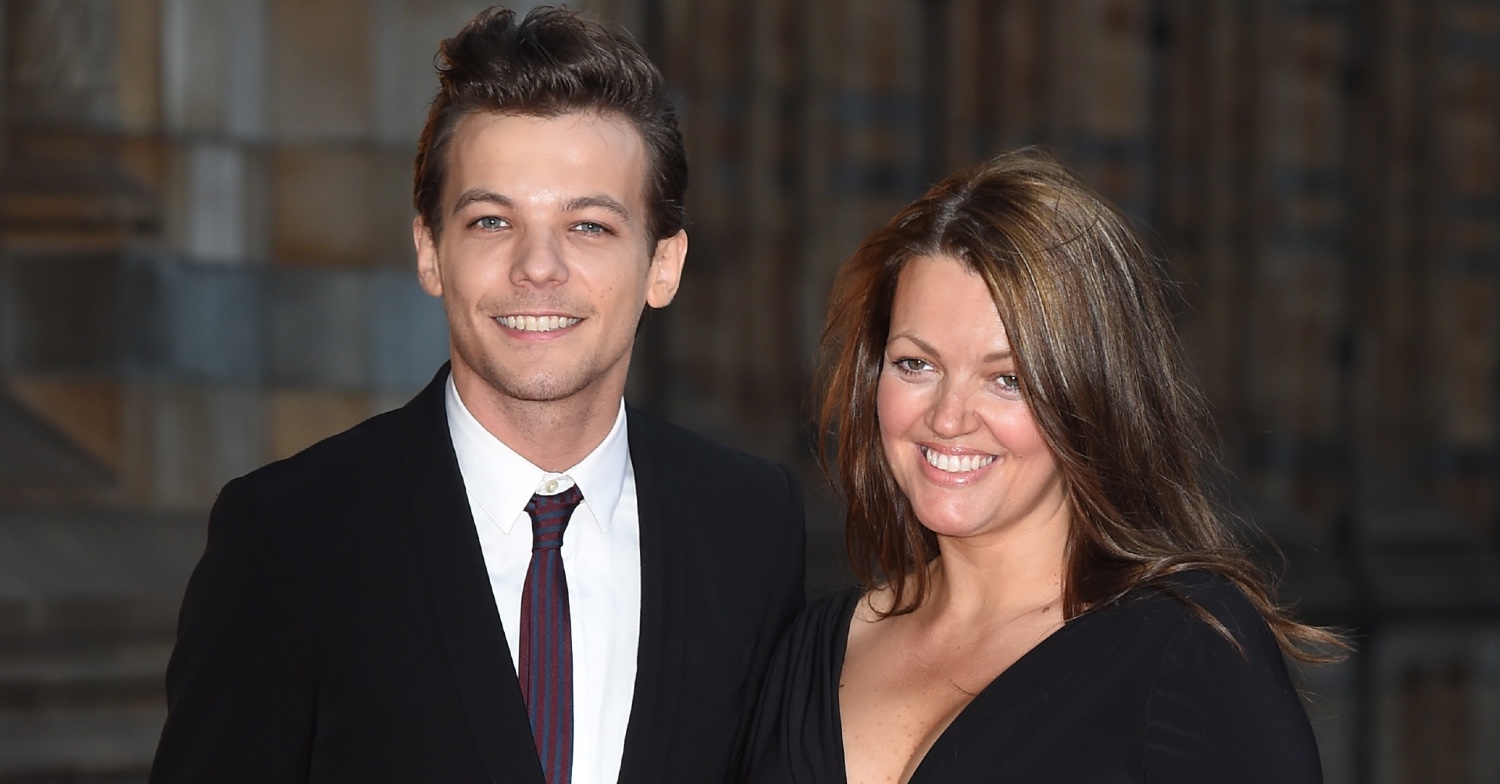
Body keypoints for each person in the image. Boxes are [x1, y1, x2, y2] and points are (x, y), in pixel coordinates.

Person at [150, 7, 805, 784]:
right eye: (492, 220)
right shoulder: (290, 538)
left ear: (663, 265)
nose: (537, 267)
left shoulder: (749, 525)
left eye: (590, 226)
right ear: (431, 252)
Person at [738, 149, 1342, 783]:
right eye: (916, 364)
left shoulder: (1186, 650)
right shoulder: (807, 649)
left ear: (1091, 398)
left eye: (1007, 379)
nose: (948, 418)